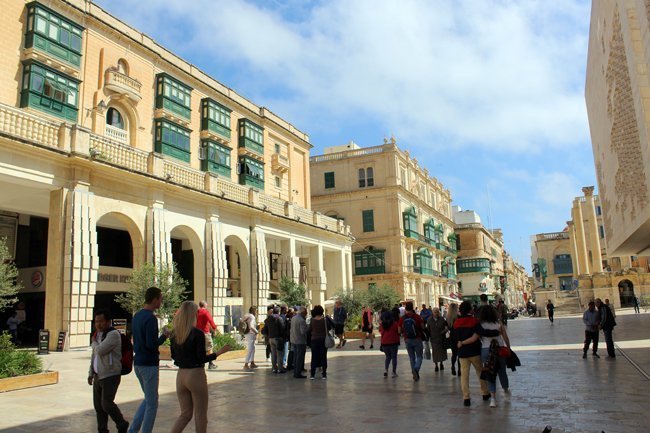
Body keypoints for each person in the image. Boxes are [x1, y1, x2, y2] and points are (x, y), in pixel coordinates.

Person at [170, 301, 230, 433]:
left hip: (181, 376)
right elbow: (202, 358)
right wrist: (219, 352)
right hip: (195, 374)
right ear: (193, 314)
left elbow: (173, 356)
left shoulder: (175, 334)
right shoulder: (197, 333)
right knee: (200, 415)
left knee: (185, 414)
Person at [129, 287, 169, 433]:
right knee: (152, 403)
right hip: (149, 364)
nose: (161, 301)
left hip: (138, 362)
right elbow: (151, 344)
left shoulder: (137, 316)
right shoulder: (151, 318)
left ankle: (133, 430)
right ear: (154, 299)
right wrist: (164, 336)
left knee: (148, 399)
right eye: (160, 298)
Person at [88, 309, 129, 433]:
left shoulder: (113, 334)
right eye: (96, 322)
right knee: (98, 407)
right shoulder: (98, 335)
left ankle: (122, 424)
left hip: (110, 374)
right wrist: (91, 372)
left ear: (108, 322)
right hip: (98, 375)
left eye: (101, 321)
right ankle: (102, 429)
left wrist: (94, 344)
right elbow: (94, 355)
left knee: (107, 404)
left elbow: (100, 350)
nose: (98, 324)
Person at [463, 305, 511, 408]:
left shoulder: (481, 325)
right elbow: (506, 338)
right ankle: (506, 391)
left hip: (486, 350)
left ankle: (493, 399)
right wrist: (509, 348)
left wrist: (462, 342)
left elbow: (473, 338)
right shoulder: (499, 323)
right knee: (502, 372)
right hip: (500, 349)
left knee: (490, 374)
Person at [454, 300, 496, 407]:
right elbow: (482, 332)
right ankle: (485, 393)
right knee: (480, 372)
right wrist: (496, 331)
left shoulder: (456, 322)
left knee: (464, 375)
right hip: (474, 351)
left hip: (462, 352)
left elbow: (454, 337)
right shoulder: (474, 321)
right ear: (470, 309)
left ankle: (466, 397)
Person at [398, 302, 425, 381]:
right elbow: (423, 327)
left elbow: (399, 331)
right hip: (417, 339)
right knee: (419, 356)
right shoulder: (417, 317)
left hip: (407, 340)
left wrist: (404, 332)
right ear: (412, 308)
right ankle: (416, 369)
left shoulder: (402, 318)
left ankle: (414, 373)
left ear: (406, 309)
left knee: (411, 357)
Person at [308, 305, 334, 379]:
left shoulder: (312, 320)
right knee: (323, 357)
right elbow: (329, 328)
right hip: (323, 340)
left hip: (314, 340)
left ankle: (312, 374)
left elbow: (309, 330)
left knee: (314, 357)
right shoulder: (325, 320)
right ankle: (324, 374)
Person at [262, 307, 286, 373]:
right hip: (278, 338)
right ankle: (280, 368)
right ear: (279, 312)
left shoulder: (268, 319)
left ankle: (274, 368)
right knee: (280, 353)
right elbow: (282, 328)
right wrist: (283, 337)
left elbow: (265, 329)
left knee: (273, 353)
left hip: (270, 338)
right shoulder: (279, 318)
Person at [196, 301, 217, 370]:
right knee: (209, 347)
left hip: (197, 332)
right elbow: (210, 320)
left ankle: (200, 363)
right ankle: (211, 363)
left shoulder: (196, 312)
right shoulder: (206, 312)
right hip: (205, 332)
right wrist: (214, 328)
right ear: (205, 305)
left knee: (200, 348)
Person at [426, 307, 448, 372]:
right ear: (432, 313)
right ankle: (436, 365)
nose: (436, 313)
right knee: (435, 353)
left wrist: (444, 331)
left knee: (441, 352)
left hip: (441, 339)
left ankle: (441, 363)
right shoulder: (429, 320)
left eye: (437, 312)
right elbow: (428, 330)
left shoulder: (442, 319)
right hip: (434, 339)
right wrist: (428, 337)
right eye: (435, 312)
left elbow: (446, 327)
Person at [379, 309, 400, 378]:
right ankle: (393, 372)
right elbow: (399, 332)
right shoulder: (394, 324)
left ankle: (386, 370)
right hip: (393, 342)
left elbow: (381, 333)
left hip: (384, 343)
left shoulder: (382, 325)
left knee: (388, 357)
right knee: (394, 357)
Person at [290, 306, 308, 379]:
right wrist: (308, 327)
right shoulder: (301, 320)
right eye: (306, 312)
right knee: (299, 357)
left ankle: (295, 372)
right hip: (300, 341)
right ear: (303, 312)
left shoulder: (293, 318)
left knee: (296, 357)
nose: (306, 313)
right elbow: (303, 331)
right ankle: (297, 373)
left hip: (293, 340)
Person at [447, 303, 461, 376]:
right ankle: (459, 369)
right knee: (459, 354)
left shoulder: (448, 318)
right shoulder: (458, 317)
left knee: (454, 354)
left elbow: (448, 328)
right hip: (458, 337)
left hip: (452, 337)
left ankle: (453, 366)